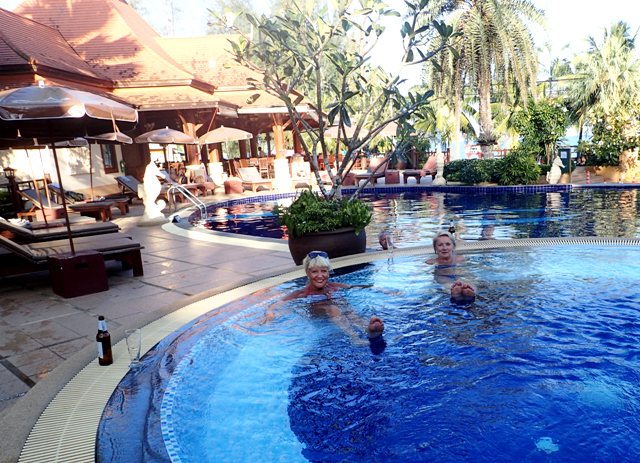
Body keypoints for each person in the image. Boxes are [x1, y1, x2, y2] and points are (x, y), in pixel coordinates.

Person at [268, 250, 385, 351]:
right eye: (314, 271)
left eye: (323, 271)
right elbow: (278, 303)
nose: (320, 276)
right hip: (320, 312)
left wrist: (384, 290)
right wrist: (270, 313)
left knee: (345, 306)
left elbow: (356, 287)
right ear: (308, 273)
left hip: (338, 309)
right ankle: (354, 337)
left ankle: (368, 328)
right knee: (333, 308)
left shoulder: (335, 287)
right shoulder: (302, 293)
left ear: (328, 272)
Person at [426, 231, 476, 303]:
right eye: (440, 245)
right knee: (448, 285)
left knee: (468, 283)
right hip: (444, 278)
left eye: (448, 244)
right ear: (435, 248)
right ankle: (456, 295)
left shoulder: (461, 259)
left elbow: (470, 269)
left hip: (460, 275)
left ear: (453, 246)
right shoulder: (431, 262)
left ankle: (469, 293)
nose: (444, 248)